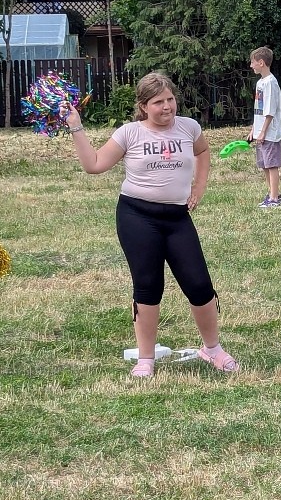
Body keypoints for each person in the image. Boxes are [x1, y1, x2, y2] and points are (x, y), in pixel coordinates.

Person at [60, 72, 239, 376]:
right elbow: (94, 165)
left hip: (177, 218)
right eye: (158, 102)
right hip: (136, 216)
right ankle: (146, 359)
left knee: (199, 284)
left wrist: (199, 187)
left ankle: (213, 350)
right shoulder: (129, 133)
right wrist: (76, 125)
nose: (167, 107)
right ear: (143, 106)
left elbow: (203, 151)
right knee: (148, 285)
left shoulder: (189, 127)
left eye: (170, 99)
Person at [247, 46, 281, 208]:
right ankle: (271, 193)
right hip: (261, 132)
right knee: (264, 164)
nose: (251, 65)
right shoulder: (260, 83)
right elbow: (259, 109)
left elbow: (269, 110)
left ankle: (275, 198)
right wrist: (254, 130)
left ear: (261, 62)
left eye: (252, 62)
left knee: (271, 164)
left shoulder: (270, 82)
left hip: (270, 133)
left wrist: (263, 131)